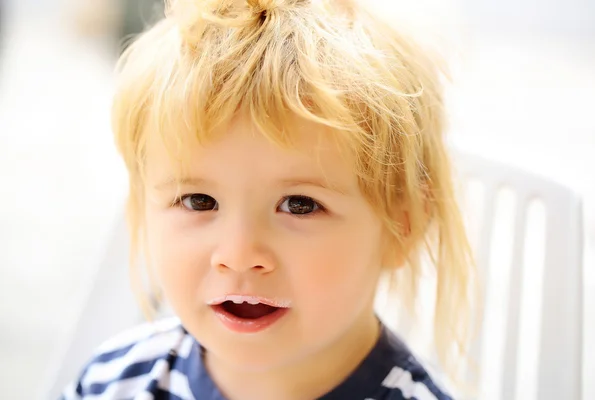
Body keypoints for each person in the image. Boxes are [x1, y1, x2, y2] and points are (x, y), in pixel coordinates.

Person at [60, 0, 476, 398]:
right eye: (199, 201)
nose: (239, 254)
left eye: (300, 204)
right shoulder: (113, 383)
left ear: (404, 224)